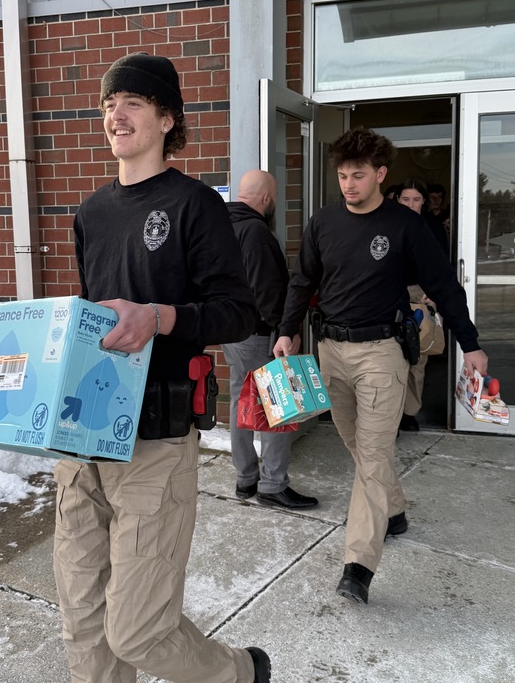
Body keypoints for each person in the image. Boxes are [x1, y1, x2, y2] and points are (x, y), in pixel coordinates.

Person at [53, 52, 271, 683]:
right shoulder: (92, 212)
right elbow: (98, 322)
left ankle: (237, 672)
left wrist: (158, 317)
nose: (114, 115)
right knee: (84, 625)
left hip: (155, 443)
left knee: (138, 630)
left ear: (167, 118)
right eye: (107, 104)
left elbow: (238, 313)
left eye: (132, 103)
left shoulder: (194, 204)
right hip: (83, 439)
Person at [273, 126, 487, 606]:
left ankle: (358, 565)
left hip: (381, 354)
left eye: (359, 175)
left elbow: (444, 285)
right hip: (331, 349)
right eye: (344, 176)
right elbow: (302, 279)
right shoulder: (323, 223)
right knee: (355, 444)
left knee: (371, 456)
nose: (349, 184)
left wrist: (468, 344)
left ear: (380, 174)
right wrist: (286, 332)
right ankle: (395, 510)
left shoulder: (404, 226)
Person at [221, 170, 319, 510]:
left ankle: (245, 478)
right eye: (273, 197)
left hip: (232, 332)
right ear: (266, 198)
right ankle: (273, 484)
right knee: (279, 402)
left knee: (240, 400)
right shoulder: (256, 232)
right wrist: (283, 329)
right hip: (260, 332)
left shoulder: (221, 228)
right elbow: (268, 290)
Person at [396, 178, 448, 431]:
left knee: (418, 358)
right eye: (406, 199)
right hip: (391, 294)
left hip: (421, 294)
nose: (411, 204)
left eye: (416, 200)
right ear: (397, 199)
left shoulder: (432, 227)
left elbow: (442, 264)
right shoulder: (386, 223)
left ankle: (409, 413)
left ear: (423, 202)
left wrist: (434, 293)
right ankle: (390, 416)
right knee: (389, 357)